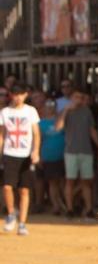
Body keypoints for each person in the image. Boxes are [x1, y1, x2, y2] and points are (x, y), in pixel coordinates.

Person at [2, 84, 39, 236]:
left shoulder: (30, 111)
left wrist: (35, 151)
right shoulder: (5, 112)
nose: (18, 97)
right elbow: (2, 134)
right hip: (9, 152)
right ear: (11, 95)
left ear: (25, 95)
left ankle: (22, 223)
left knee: (24, 189)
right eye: (15, 94)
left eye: (21, 94)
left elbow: (36, 133)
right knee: (7, 187)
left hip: (25, 154)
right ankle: (11, 213)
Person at [57, 90, 98, 220]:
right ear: (71, 98)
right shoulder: (66, 110)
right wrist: (66, 110)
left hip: (86, 150)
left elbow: (92, 130)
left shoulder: (87, 111)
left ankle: (88, 209)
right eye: (76, 97)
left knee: (86, 181)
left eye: (81, 97)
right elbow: (58, 127)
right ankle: (70, 209)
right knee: (70, 181)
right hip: (71, 151)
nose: (79, 100)